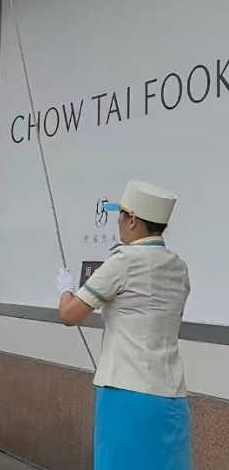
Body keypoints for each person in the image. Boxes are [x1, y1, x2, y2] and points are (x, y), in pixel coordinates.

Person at [56, 181, 191, 470]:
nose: (117, 221)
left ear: (132, 220)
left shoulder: (123, 261)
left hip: (126, 395)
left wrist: (65, 289)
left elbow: (70, 314)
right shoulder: (178, 267)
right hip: (172, 399)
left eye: (120, 214)